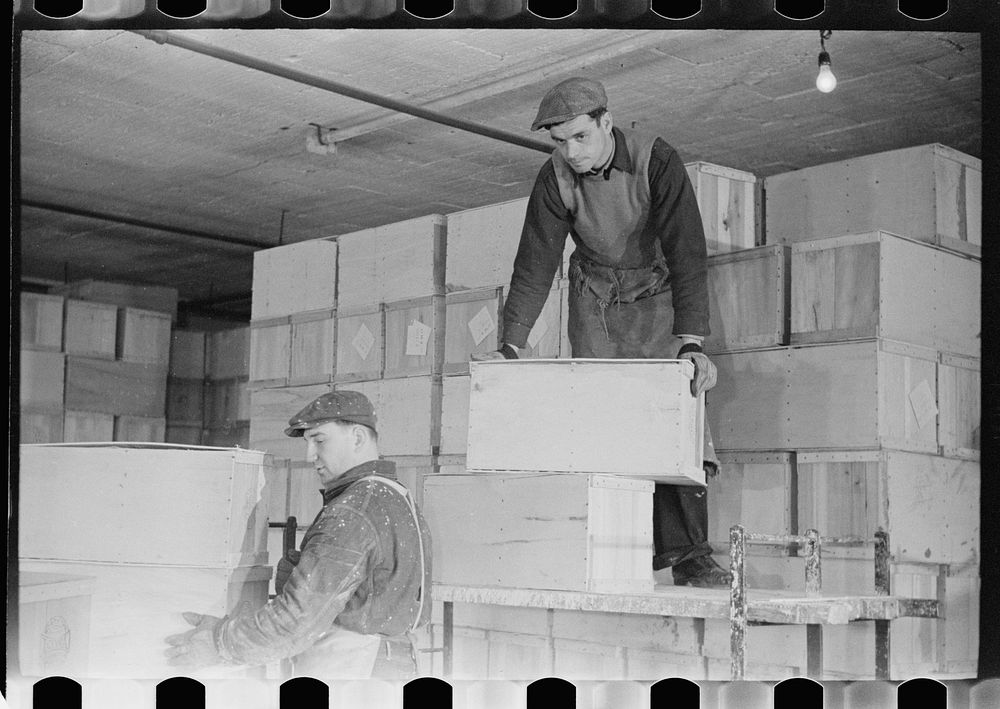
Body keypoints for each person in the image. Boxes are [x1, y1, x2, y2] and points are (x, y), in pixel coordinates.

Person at [475, 76, 730, 588]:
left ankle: (689, 557)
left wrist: (693, 342)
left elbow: (686, 253)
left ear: (605, 123)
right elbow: (535, 264)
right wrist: (510, 346)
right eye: (559, 142)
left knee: (674, 418)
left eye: (579, 137)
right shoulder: (554, 180)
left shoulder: (657, 159)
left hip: (656, 297)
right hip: (594, 297)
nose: (570, 152)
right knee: (597, 419)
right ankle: (609, 550)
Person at [164, 390, 432, 678]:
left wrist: (219, 643)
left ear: (357, 438)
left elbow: (296, 622)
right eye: (307, 443)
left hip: (353, 674)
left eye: (319, 440)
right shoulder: (395, 495)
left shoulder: (353, 511)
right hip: (390, 667)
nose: (309, 456)